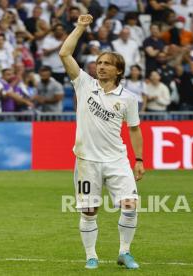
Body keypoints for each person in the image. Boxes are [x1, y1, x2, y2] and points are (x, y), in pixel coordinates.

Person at [59, 14, 145, 270]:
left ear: (118, 70)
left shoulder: (128, 98)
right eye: (99, 62)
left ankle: (124, 252)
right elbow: (64, 54)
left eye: (107, 64)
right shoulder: (84, 84)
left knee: (130, 205)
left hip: (117, 160)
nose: (101, 66)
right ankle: (91, 256)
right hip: (87, 161)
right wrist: (80, 28)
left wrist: (138, 159)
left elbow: (135, 130)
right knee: (89, 211)